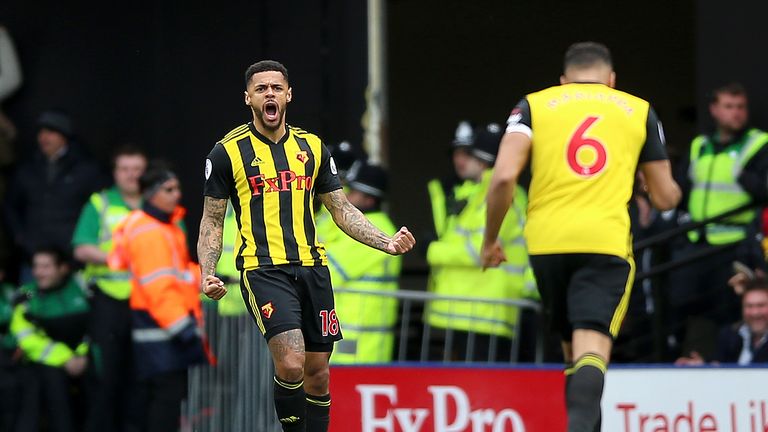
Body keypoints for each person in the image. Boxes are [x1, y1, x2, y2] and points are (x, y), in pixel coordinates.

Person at [198, 60, 415, 432]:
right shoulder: (226, 153)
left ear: (289, 95)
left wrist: (386, 243)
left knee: (317, 374)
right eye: (261, 88)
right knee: (292, 362)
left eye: (276, 88)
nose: (270, 94)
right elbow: (213, 220)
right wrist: (207, 273)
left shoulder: (312, 147)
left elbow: (342, 208)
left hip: (313, 268)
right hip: (263, 269)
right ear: (248, 97)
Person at [481, 42, 681, 432]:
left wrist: (491, 240)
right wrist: (642, 181)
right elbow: (666, 196)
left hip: (546, 243)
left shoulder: (534, 105)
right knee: (593, 350)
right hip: (603, 243)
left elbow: (503, 176)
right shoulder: (638, 110)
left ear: (563, 80)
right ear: (611, 79)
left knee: (573, 353)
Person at [667, 82, 768, 359]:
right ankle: (681, 356)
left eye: (741, 107)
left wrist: (744, 176)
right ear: (714, 110)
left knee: (727, 313)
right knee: (681, 306)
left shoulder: (759, 143)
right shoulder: (700, 145)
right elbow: (681, 190)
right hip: (695, 242)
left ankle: (724, 363)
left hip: (734, 245)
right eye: (729, 106)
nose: (736, 113)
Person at [108, 164, 210, 432]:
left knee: (162, 399)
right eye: (169, 189)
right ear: (152, 193)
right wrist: (183, 328)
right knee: (164, 400)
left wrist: (207, 277)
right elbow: (159, 288)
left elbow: (178, 274)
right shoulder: (150, 231)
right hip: (162, 330)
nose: (177, 194)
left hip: (160, 327)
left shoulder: (163, 226)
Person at [426, 122, 538, 362]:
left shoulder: (502, 196)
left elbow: (477, 250)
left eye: (470, 156)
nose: (464, 162)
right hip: (473, 310)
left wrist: (431, 250)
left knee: (482, 392)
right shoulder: (481, 193)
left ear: (483, 161)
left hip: (487, 311)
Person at [72, 144, 147, 431]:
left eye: (137, 170)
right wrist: (117, 258)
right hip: (108, 301)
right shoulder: (100, 203)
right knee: (106, 375)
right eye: (125, 169)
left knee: (141, 377)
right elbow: (81, 248)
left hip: (147, 304)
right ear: (115, 172)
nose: (131, 176)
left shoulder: (157, 204)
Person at [4, 109, 106, 282]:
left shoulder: (85, 169)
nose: (43, 137)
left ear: (64, 136)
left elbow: (101, 207)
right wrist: (19, 236)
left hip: (72, 263)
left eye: (50, 132)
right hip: (34, 261)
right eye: (41, 132)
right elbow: (10, 205)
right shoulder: (28, 168)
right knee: (28, 299)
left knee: (76, 304)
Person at [322, 161, 402, 364]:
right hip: (352, 336)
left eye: (352, 190)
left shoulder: (375, 231)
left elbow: (328, 272)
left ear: (368, 198)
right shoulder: (367, 228)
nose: (346, 194)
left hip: (359, 344)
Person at [10, 247, 90, 432]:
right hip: (48, 361)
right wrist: (66, 359)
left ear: (63, 268)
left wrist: (82, 356)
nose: (38, 273)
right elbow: (26, 337)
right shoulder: (28, 293)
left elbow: (97, 325)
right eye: (36, 266)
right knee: (51, 384)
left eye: (46, 267)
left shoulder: (80, 286)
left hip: (85, 357)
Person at [676, 277, 768, 365]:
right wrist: (703, 367)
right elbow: (719, 366)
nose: (755, 313)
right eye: (749, 306)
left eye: (761, 305)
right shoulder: (730, 335)